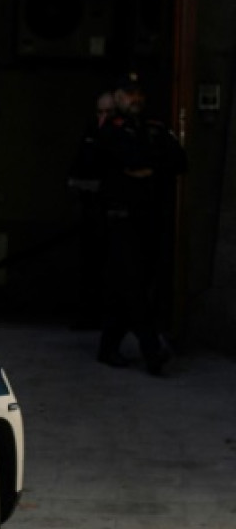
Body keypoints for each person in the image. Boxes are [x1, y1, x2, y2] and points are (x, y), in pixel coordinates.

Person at [95, 75, 187, 376]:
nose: (134, 99)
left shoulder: (156, 128)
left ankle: (108, 347)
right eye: (127, 94)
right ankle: (152, 349)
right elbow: (125, 158)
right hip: (121, 219)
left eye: (137, 94)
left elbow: (179, 161)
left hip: (151, 218)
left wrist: (148, 167)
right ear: (117, 97)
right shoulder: (111, 130)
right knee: (132, 284)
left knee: (134, 285)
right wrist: (145, 164)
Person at [65, 91, 116, 329]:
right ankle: (87, 315)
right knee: (88, 268)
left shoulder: (120, 136)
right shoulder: (90, 135)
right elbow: (76, 172)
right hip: (91, 215)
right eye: (100, 112)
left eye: (109, 112)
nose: (103, 117)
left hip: (115, 216)